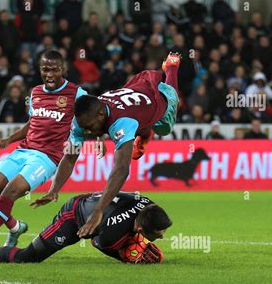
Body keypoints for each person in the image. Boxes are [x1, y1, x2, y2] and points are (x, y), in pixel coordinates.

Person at [0, 50, 87, 255]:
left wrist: (99, 139)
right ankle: (15, 227)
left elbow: (93, 115)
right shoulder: (36, 92)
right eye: (45, 69)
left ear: (62, 69)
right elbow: (32, 124)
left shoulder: (77, 94)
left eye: (54, 70)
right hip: (23, 151)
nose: (49, 74)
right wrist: (7, 141)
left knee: (9, 193)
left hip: (46, 158)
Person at [32, 53, 181, 238]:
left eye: (90, 128)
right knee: (135, 124)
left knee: (166, 125)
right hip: (136, 93)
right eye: (84, 128)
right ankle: (143, 133)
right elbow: (70, 157)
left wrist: (98, 210)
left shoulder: (122, 123)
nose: (87, 132)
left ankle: (171, 69)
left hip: (157, 95)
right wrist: (54, 190)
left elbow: (121, 170)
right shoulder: (84, 118)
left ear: (101, 116)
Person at [0, 192, 172, 265]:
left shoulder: (148, 204)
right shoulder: (114, 231)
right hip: (73, 217)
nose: (161, 236)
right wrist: (126, 256)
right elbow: (97, 241)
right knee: (28, 257)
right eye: (158, 234)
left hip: (92, 205)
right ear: (141, 228)